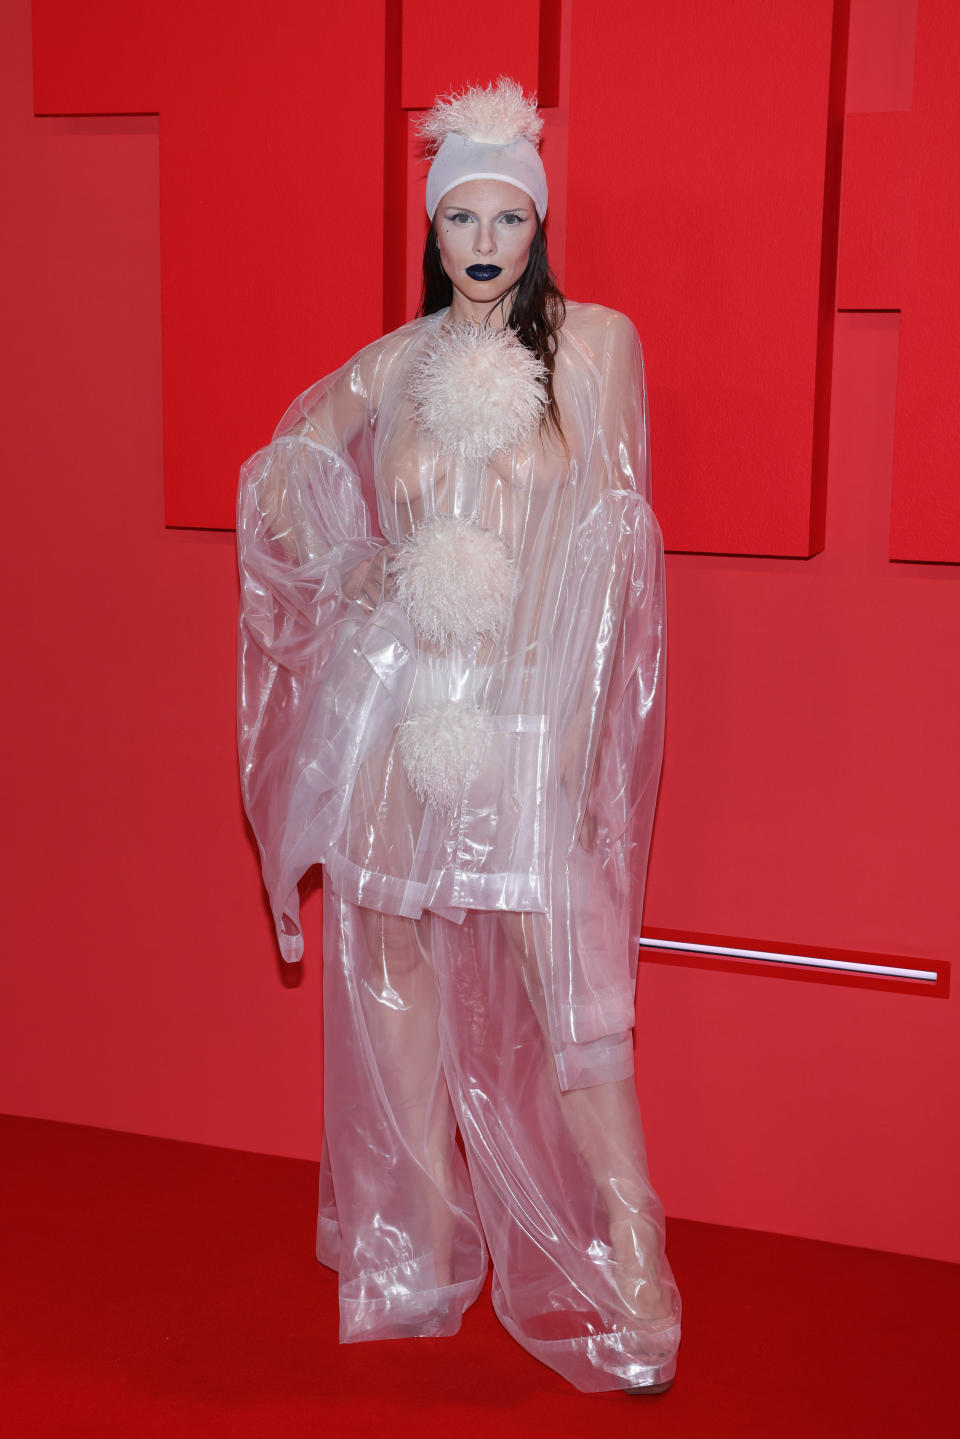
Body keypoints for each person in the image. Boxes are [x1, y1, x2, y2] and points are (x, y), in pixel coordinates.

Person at [236, 77, 681, 1395]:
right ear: (433, 234)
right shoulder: (400, 363)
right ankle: (419, 1236)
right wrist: (353, 566)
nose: (483, 243)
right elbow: (285, 470)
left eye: (506, 219)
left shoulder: (599, 348)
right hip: (408, 717)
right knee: (395, 977)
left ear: (537, 226)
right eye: (459, 221)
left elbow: (615, 552)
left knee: (576, 1001)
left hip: (530, 717)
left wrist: (588, 739)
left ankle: (635, 1244)